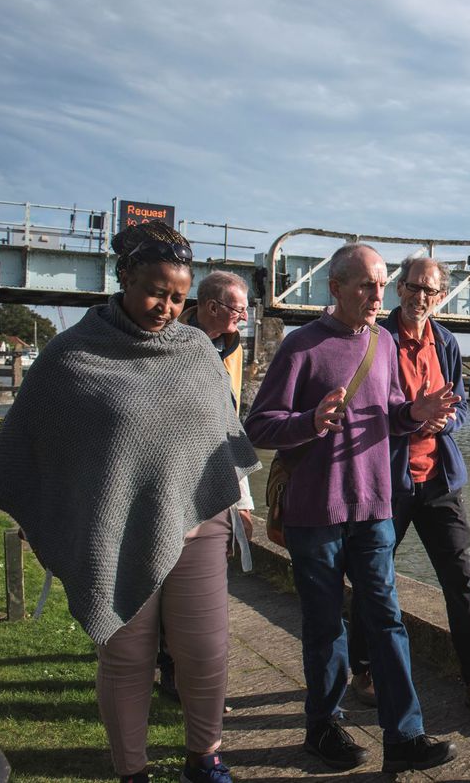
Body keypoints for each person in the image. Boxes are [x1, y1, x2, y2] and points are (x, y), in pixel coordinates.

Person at [0, 222, 261, 783]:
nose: (167, 307)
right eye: (157, 291)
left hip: (199, 525)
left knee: (204, 653)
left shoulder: (197, 352)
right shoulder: (71, 353)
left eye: (179, 298)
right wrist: (49, 513)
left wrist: (242, 499)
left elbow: (221, 436)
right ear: (124, 276)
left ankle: (205, 759)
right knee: (126, 660)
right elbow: (32, 441)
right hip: (111, 529)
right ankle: (132, 772)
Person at [243, 242, 461, 776]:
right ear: (335, 287)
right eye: (366, 285)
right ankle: (323, 725)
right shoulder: (300, 346)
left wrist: (417, 412)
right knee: (323, 627)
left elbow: (387, 414)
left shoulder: (383, 343)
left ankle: (404, 735)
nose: (376, 295)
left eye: (382, 285)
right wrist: (309, 421)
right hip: (315, 512)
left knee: (386, 621)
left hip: (375, 507)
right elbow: (258, 426)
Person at [347, 256, 470, 711]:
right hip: (388, 481)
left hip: (439, 479)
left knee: (462, 580)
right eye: (413, 287)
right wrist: (411, 415)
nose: (420, 297)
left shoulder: (445, 341)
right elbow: (359, 412)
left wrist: (444, 421)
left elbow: (458, 405)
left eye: (430, 291)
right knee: (374, 579)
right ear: (399, 288)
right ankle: (362, 670)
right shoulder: (373, 340)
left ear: (441, 297)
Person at [155, 271, 256, 700]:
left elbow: (229, 425)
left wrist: (245, 498)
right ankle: (168, 665)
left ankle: (183, 669)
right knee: (161, 575)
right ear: (211, 307)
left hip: (213, 478)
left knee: (200, 588)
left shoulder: (230, 348)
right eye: (238, 309)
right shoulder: (167, 337)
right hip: (167, 479)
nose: (245, 316)